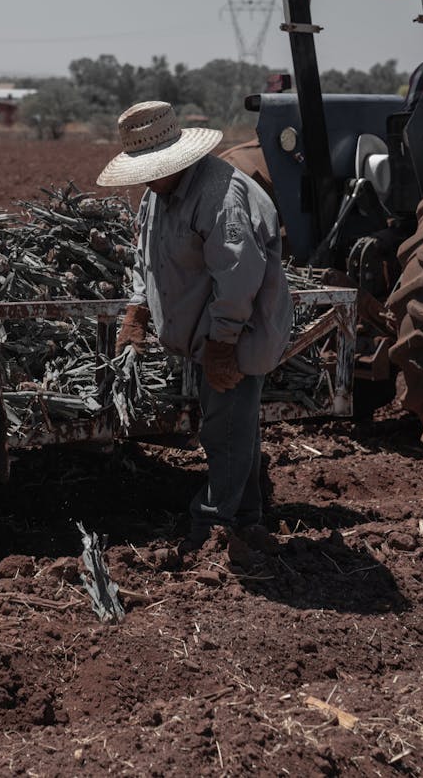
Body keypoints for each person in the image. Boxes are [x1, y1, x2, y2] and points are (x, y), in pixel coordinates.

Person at [97, 100, 293, 551]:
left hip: (239, 333)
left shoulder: (221, 197)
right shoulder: (157, 196)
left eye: (152, 168)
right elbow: (146, 259)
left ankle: (212, 525)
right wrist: (139, 309)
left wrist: (223, 344)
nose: (146, 178)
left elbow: (239, 277)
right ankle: (246, 520)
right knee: (234, 428)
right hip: (208, 335)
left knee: (223, 430)